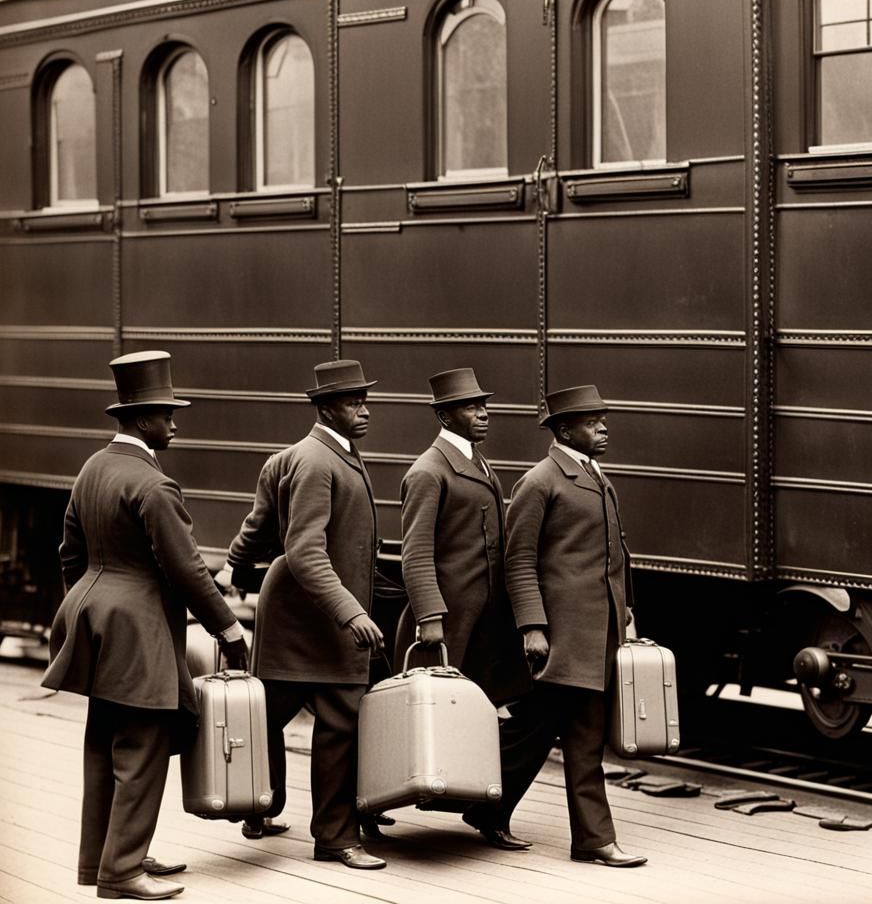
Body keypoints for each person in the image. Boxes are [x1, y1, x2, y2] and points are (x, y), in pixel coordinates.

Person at [42, 350, 249, 901]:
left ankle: (105, 859)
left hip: (99, 622)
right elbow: (185, 570)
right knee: (143, 745)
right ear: (140, 420)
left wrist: (91, 606)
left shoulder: (93, 468)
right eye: (166, 414)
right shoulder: (155, 487)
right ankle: (122, 873)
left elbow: (70, 551)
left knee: (103, 743)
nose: (175, 422)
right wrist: (229, 629)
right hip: (138, 631)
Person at [226, 359, 386, 870]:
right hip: (315, 616)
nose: (364, 411)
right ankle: (335, 839)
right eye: (352, 403)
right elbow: (306, 552)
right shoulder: (319, 461)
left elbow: (259, 526)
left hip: (299, 611)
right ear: (324, 409)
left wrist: (237, 564)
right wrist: (350, 612)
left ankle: (260, 808)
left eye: (364, 400)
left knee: (270, 714)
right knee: (334, 720)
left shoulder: (302, 455)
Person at [499, 385, 647, 867]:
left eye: (603, 420)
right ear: (565, 430)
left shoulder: (596, 475)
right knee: (570, 737)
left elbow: (614, 556)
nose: (604, 428)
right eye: (592, 422)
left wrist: (624, 610)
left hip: (595, 634)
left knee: (542, 732)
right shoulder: (541, 481)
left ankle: (489, 810)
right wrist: (532, 627)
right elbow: (518, 559)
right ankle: (592, 839)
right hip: (562, 639)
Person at [395, 368, 533, 850]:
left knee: (527, 711)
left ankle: (489, 810)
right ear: (443, 414)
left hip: (490, 623)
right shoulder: (428, 471)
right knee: (416, 721)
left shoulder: (477, 463)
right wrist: (430, 619)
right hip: (450, 624)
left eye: (484, 405)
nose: (484, 413)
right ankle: (362, 807)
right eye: (472, 407)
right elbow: (414, 552)